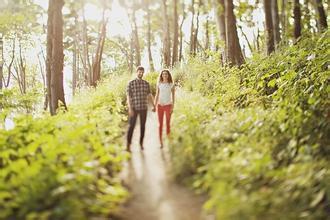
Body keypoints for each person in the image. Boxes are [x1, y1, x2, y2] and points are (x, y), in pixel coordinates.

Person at [126, 66, 155, 152]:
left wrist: (154, 105)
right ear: (137, 72)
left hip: (143, 108)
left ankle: (141, 143)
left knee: (143, 126)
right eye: (139, 72)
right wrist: (130, 108)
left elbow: (150, 95)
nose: (141, 73)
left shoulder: (146, 83)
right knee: (131, 126)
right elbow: (128, 97)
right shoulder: (130, 83)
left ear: (143, 73)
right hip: (134, 108)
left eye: (142, 72)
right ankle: (128, 144)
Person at [154, 69, 175, 148]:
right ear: (161, 75)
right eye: (163, 74)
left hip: (168, 105)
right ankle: (161, 142)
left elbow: (173, 96)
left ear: (168, 75)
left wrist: (173, 106)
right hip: (160, 106)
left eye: (166, 74)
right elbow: (156, 95)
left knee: (168, 124)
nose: (164, 75)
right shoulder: (159, 84)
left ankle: (169, 141)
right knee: (160, 125)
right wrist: (154, 105)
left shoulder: (171, 84)